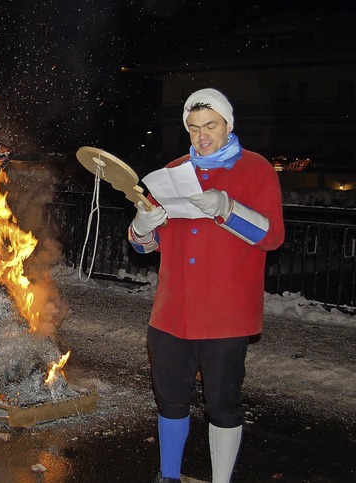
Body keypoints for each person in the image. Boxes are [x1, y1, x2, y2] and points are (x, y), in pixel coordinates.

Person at [128, 88, 285, 483]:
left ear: (228, 124)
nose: (202, 136)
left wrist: (227, 209)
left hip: (226, 315)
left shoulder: (256, 169)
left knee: (223, 405)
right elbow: (148, 242)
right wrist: (141, 228)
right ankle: (169, 476)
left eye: (210, 126)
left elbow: (272, 236)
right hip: (170, 313)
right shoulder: (174, 170)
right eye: (194, 128)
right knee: (170, 400)